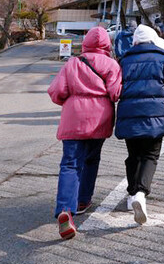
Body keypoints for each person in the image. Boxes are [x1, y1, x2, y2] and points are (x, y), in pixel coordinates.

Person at [48, 26, 122, 240]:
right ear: (107, 45)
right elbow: (115, 93)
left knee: (70, 163)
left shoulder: (73, 63)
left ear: (86, 43)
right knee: (91, 159)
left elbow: (56, 92)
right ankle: (83, 200)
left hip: (74, 118)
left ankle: (65, 209)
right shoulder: (111, 64)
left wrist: (71, 101)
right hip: (100, 118)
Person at [115, 24, 164, 225]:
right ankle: (141, 194)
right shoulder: (162, 58)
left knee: (133, 155)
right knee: (150, 155)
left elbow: (115, 86)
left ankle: (132, 194)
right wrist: (163, 101)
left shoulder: (124, 60)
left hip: (129, 114)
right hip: (155, 115)